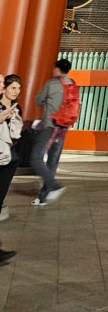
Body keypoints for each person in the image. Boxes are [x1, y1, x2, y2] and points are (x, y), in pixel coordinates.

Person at [30, 59, 75, 206]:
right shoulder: (73, 84)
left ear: (57, 69)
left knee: (35, 158)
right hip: (63, 129)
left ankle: (55, 185)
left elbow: (38, 100)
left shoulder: (52, 83)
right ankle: (43, 197)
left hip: (50, 127)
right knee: (52, 162)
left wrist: (47, 103)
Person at [0, 75, 22, 263]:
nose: (16, 91)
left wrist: (13, 119)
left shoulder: (15, 108)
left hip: (8, 159)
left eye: (18, 88)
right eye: (12, 87)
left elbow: (16, 135)